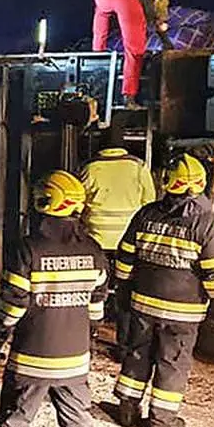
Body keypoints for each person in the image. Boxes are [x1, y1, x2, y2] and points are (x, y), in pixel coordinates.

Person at [0, 171, 114, 427]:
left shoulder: (28, 250)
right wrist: (87, 338)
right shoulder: (94, 250)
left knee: (15, 420)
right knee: (79, 420)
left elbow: (13, 305)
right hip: (75, 360)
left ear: (44, 202)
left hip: (32, 359)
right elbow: (96, 308)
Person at [111, 153, 214, 427]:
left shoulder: (146, 214)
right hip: (182, 314)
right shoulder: (205, 223)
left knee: (137, 354)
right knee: (172, 363)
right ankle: (160, 421)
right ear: (201, 183)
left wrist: (122, 290)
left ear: (167, 182)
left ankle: (127, 409)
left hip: (143, 305)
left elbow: (125, 258)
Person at [81, 123, 158, 358]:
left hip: (97, 240)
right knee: (125, 294)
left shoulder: (90, 168)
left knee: (93, 292)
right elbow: (150, 203)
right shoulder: (138, 167)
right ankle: (124, 347)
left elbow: (79, 205)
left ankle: (86, 342)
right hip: (128, 242)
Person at [91, 0, 173, 108]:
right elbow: (161, 2)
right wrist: (162, 31)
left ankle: (95, 57)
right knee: (134, 49)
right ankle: (129, 97)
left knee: (101, 19)